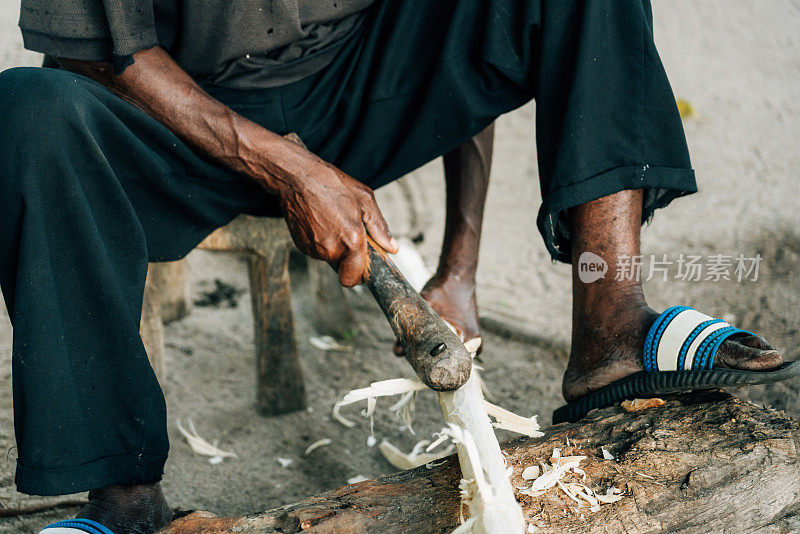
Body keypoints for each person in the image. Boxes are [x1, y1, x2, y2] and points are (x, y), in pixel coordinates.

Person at [1, 1, 795, 532]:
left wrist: (462, 268)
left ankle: (613, 327)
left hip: (355, 98)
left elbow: (455, 53)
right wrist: (285, 168)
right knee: (29, 114)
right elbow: (100, 54)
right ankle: (123, 501)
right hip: (173, 125)